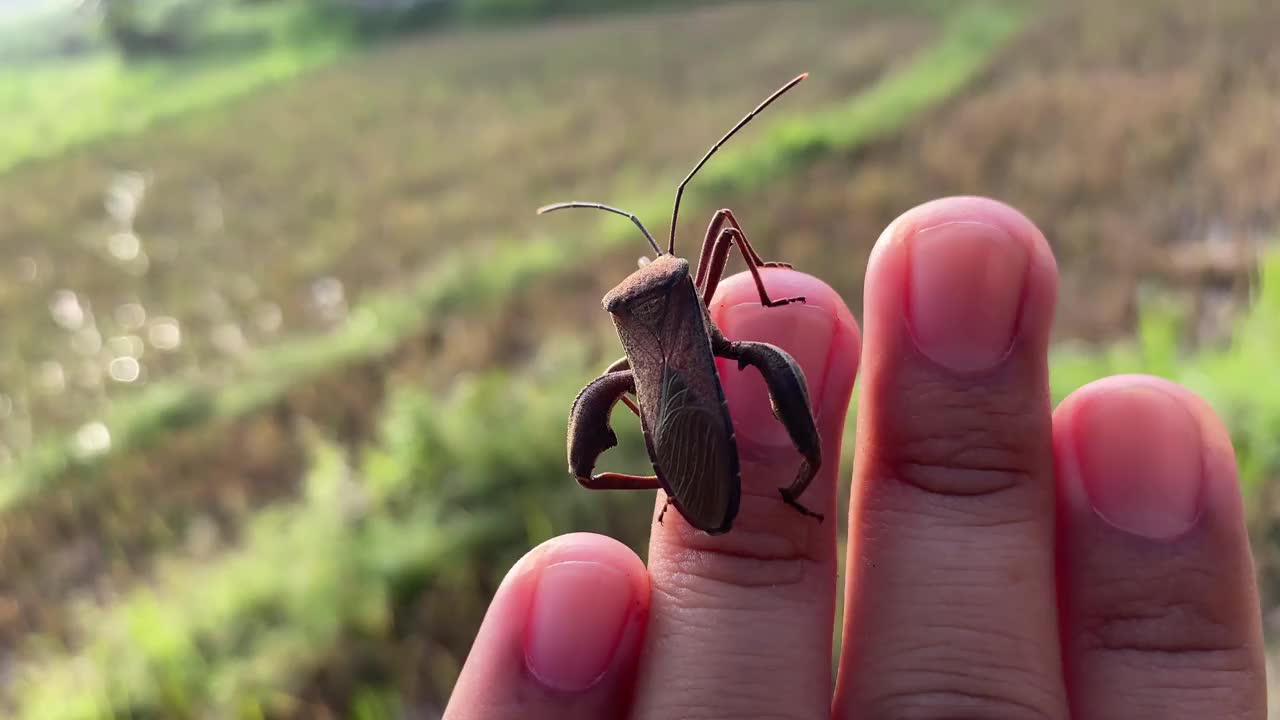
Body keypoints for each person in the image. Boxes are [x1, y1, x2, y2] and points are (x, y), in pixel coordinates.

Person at [444, 197, 1267, 719]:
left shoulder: (638, 314)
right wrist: (759, 304)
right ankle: (759, 457)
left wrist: (670, 469)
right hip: (702, 423)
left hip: (672, 429)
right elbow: (728, 249)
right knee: (764, 347)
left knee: (605, 435)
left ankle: (686, 477)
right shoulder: (687, 285)